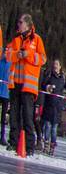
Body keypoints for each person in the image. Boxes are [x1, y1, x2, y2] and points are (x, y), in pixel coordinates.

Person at [7, 14, 47, 153]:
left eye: (20, 22)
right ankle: (13, 142)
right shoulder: (16, 39)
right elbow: (8, 55)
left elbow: (42, 59)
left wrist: (28, 55)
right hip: (15, 84)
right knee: (14, 115)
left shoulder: (36, 39)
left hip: (28, 85)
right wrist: (17, 54)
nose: (18, 24)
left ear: (27, 25)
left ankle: (29, 146)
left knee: (27, 116)